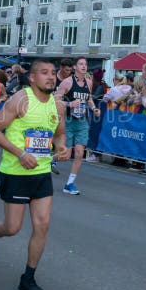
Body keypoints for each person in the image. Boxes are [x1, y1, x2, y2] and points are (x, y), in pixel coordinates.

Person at [0, 59, 70, 290]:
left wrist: (62, 147)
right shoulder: (20, 100)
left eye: (53, 73)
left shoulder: (58, 106)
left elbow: (60, 134)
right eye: (44, 73)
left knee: (42, 225)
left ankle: (28, 277)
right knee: (12, 227)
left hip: (41, 172)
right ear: (33, 78)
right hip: (15, 171)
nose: (51, 77)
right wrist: (20, 153)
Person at [55, 56, 101, 195]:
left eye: (85, 64)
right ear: (75, 67)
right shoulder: (67, 82)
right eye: (81, 64)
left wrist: (94, 109)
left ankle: (69, 184)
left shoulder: (88, 82)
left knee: (80, 153)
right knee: (66, 155)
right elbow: (55, 99)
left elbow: (89, 99)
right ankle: (48, 160)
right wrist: (69, 104)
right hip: (68, 120)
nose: (84, 66)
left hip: (81, 121)